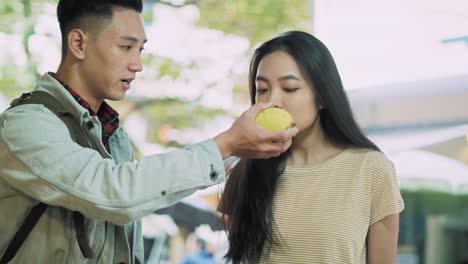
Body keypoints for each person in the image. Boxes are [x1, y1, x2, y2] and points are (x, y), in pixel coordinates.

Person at [0, 1, 298, 263]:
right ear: (78, 43)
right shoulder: (25, 125)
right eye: (126, 47)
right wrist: (226, 144)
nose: (138, 64)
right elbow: (114, 192)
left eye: (140, 50)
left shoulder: (112, 136)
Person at [218, 31, 405, 264]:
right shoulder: (243, 172)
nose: (271, 101)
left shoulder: (372, 170)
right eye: (262, 90)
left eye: (289, 88)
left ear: (323, 96)